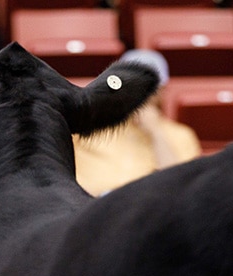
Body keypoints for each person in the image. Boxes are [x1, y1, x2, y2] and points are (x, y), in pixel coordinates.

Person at [73, 49, 201, 196]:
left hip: (146, 212)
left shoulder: (181, 135)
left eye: (150, 87)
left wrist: (156, 133)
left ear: (163, 91)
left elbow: (181, 188)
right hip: (88, 208)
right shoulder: (88, 125)